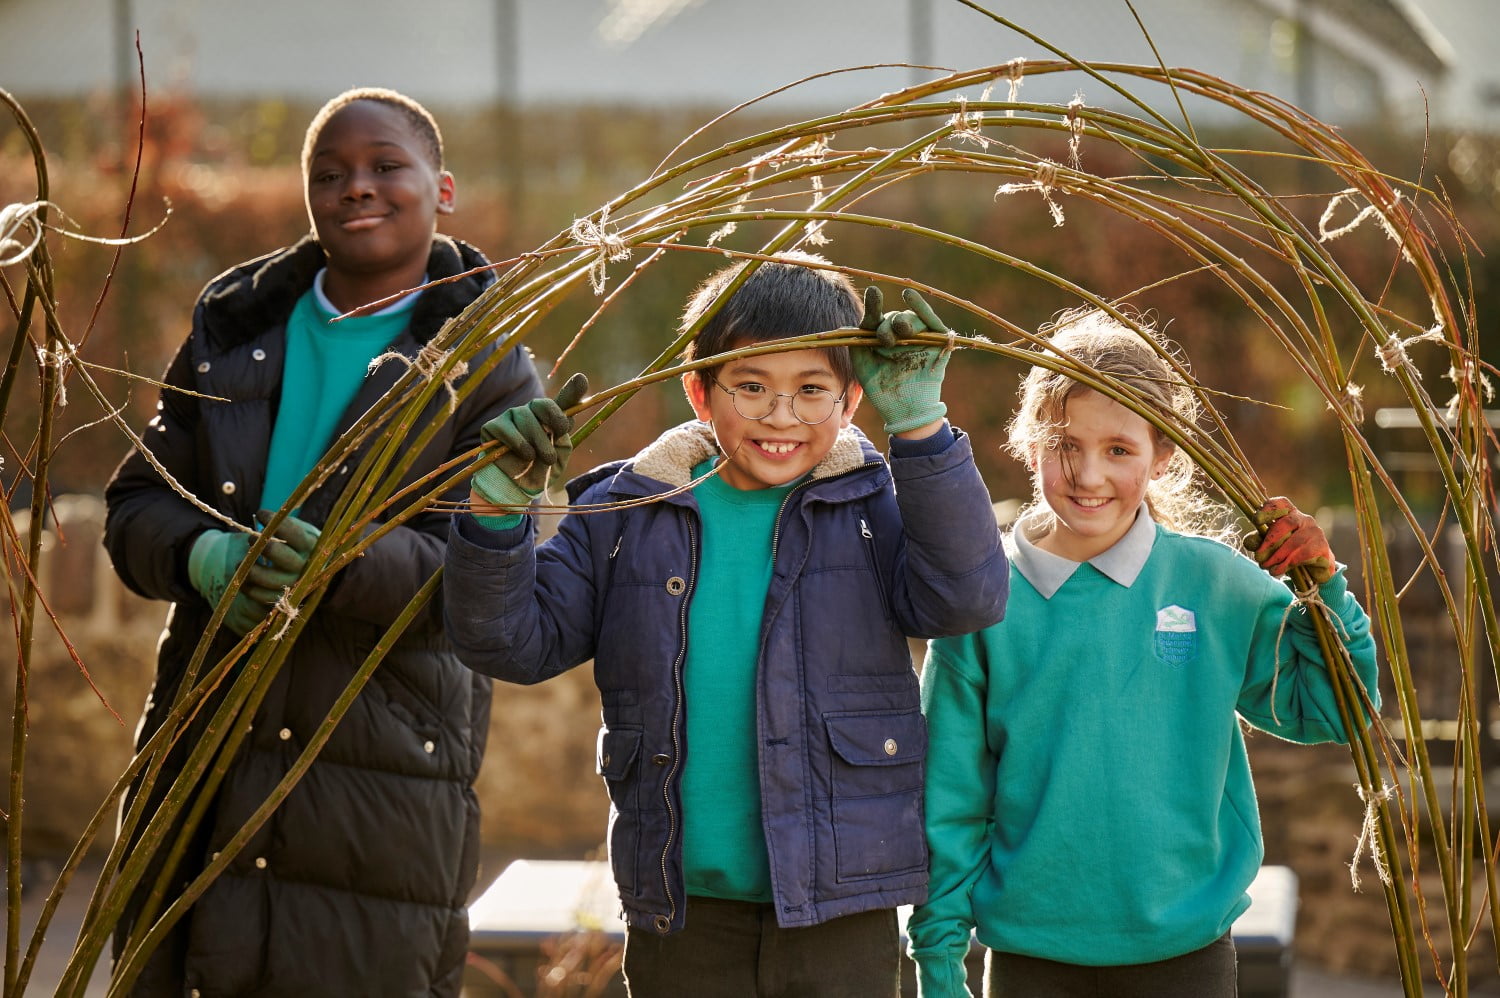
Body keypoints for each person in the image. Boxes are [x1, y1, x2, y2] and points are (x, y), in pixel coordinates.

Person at [443, 254, 1009, 997]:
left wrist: (924, 431)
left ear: (852, 400)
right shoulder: (625, 514)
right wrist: (493, 519)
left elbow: (965, 597)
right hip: (681, 914)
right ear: (699, 392)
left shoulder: (875, 507)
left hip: (843, 910)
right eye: (751, 387)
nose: (782, 417)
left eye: (812, 391)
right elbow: (507, 641)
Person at [102, 86, 544, 995]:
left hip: (381, 760)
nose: (357, 188)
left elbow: (476, 575)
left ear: (443, 189)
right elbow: (138, 506)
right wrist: (206, 558)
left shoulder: (485, 360)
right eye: (330, 173)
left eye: (387, 167)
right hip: (206, 736)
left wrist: (341, 565)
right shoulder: (236, 326)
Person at [906, 307, 1380, 998]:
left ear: (1163, 454)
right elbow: (946, 797)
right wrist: (940, 965)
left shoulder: (1217, 584)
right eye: (1065, 444)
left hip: (1187, 955)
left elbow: (1338, 712)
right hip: (1031, 960)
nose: (1088, 473)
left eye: (1119, 450)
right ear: (1028, 443)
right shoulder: (982, 599)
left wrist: (1326, 591)